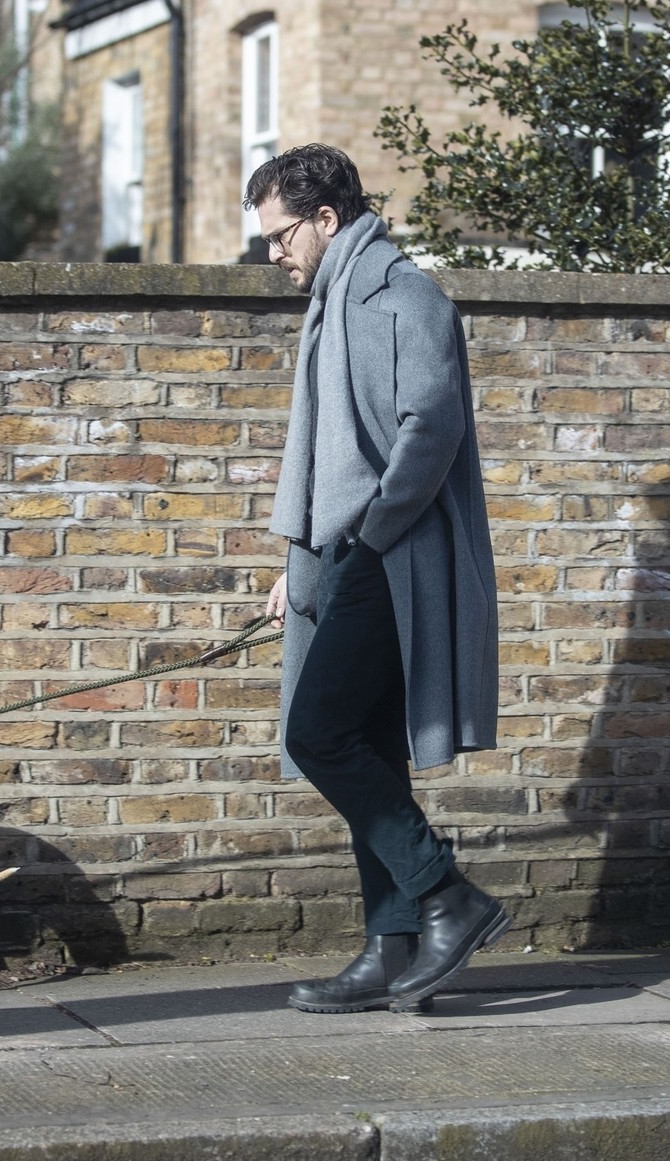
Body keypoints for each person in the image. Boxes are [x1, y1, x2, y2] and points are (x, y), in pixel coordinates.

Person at [243, 144, 508, 1014]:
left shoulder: (404, 297)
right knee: (363, 741)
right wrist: (300, 562)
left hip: (390, 553)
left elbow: (428, 430)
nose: (272, 256)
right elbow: (320, 454)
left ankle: (448, 894)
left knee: (318, 731)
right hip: (344, 552)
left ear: (327, 219)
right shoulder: (333, 302)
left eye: (280, 238)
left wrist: (370, 536)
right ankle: (391, 948)